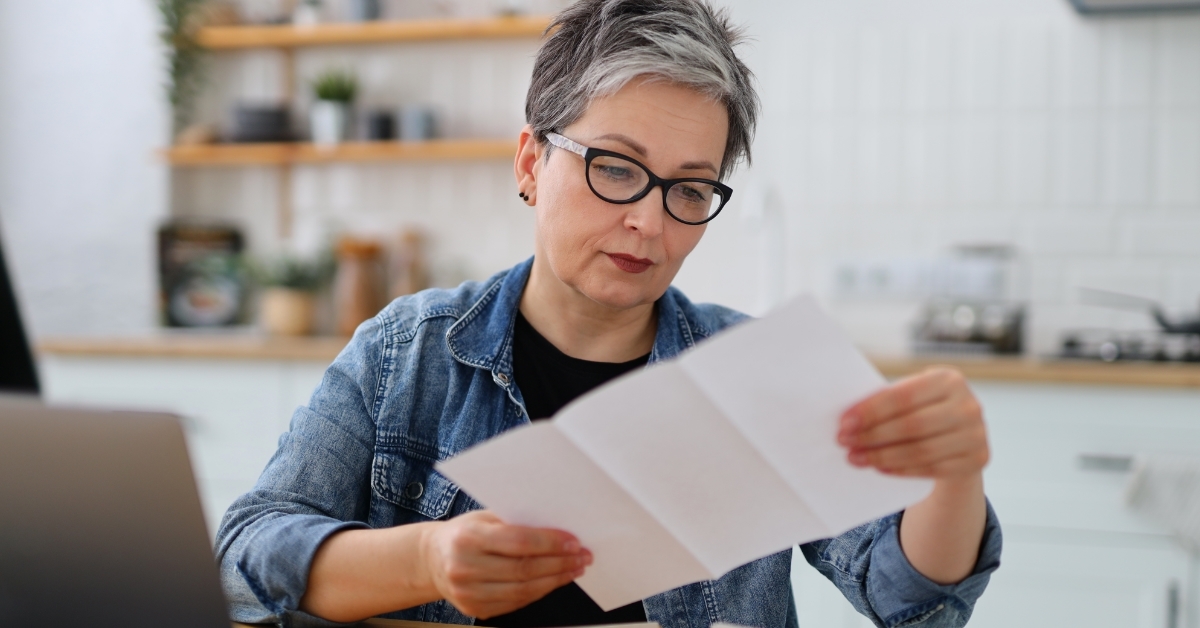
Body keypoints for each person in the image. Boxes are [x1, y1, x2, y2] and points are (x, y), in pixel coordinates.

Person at [215, 1, 1001, 626]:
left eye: (690, 189)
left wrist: (954, 477)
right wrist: (424, 560)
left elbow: (910, 600)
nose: (650, 224)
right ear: (531, 162)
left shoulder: (756, 374)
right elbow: (243, 561)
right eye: (616, 169)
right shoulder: (405, 357)